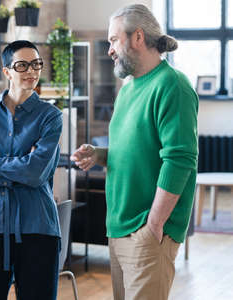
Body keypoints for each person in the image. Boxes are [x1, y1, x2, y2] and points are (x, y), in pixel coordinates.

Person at [71, 4, 198, 300]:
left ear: (137, 37)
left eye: (114, 40)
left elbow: (180, 159)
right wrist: (100, 155)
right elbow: (135, 148)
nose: (109, 50)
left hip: (147, 230)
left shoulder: (172, 85)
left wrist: (154, 224)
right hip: (118, 227)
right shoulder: (128, 88)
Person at [0, 40, 63, 300]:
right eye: (22, 65)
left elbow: (35, 173)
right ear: (7, 72)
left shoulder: (50, 116)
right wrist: (19, 168)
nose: (32, 71)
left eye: (36, 64)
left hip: (37, 228)